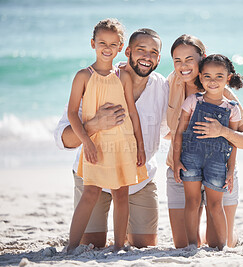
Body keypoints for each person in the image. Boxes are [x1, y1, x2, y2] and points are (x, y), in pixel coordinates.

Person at [54, 27, 168, 250]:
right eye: (141, 50)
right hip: (96, 156)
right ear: (127, 52)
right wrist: (91, 131)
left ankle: (120, 243)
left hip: (130, 161)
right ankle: (73, 247)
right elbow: (63, 134)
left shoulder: (159, 85)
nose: (146, 56)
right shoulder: (86, 77)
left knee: (143, 243)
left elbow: (140, 114)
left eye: (153, 52)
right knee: (93, 242)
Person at [166, 35, 243, 249]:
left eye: (189, 59)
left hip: (219, 167)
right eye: (177, 60)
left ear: (202, 58)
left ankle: (231, 235)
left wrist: (222, 131)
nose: (183, 66)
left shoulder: (224, 94)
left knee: (219, 242)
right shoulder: (171, 83)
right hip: (184, 167)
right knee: (183, 244)